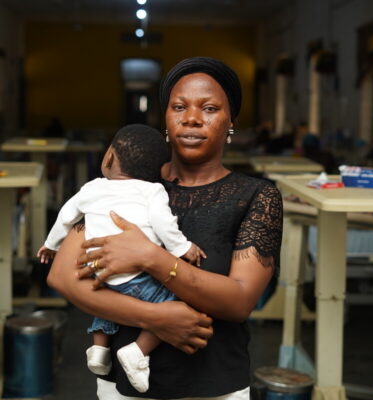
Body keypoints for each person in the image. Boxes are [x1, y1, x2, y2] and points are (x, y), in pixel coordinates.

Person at [47, 56, 283, 400]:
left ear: (231, 121)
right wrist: (157, 317)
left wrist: (150, 257)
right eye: (179, 107)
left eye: (209, 108)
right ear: (166, 120)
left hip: (215, 388)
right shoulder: (127, 185)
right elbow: (62, 276)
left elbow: (239, 300)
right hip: (121, 389)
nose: (191, 118)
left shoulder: (257, 197)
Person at [38, 124, 205, 393]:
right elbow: (164, 224)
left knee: (107, 301)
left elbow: (66, 216)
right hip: (137, 275)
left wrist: (50, 245)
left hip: (97, 271)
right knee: (175, 301)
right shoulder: (153, 191)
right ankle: (138, 352)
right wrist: (182, 248)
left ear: (108, 158)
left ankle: (99, 349)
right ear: (159, 171)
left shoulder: (92, 188)